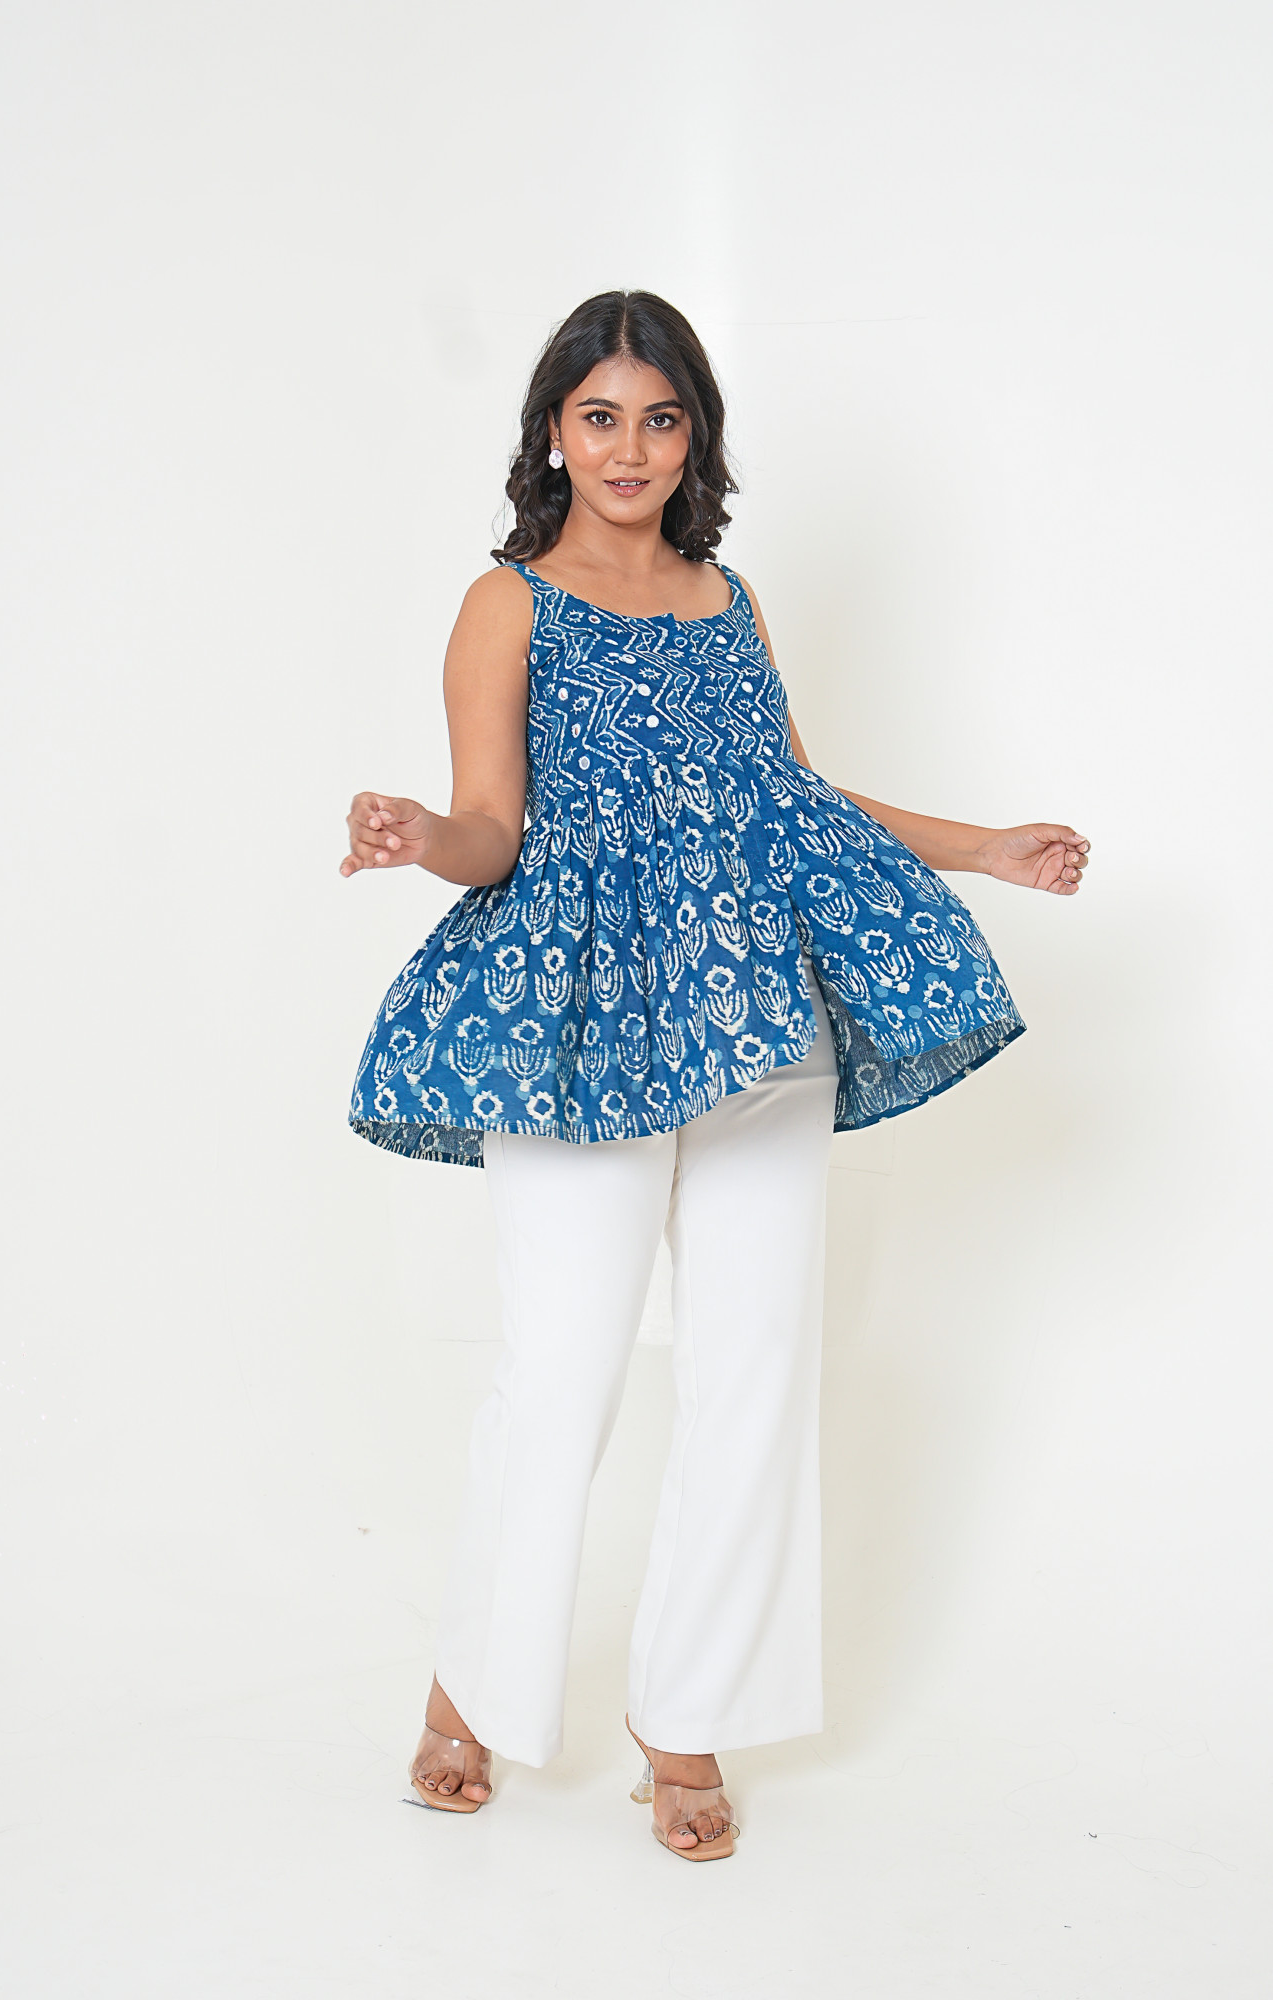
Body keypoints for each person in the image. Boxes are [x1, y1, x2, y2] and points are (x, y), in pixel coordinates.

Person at [340, 290, 1089, 1861]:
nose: (629, 448)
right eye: (599, 416)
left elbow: (791, 796)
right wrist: (422, 838)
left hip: (756, 1012)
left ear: (696, 440)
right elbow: (492, 825)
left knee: (754, 1364)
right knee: (561, 1370)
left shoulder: (727, 598)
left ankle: (686, 1721)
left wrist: (982, 850)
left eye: (660, 417)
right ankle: (473, 1689)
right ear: (554, 432)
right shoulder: (507, 604)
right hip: (581, 1018)